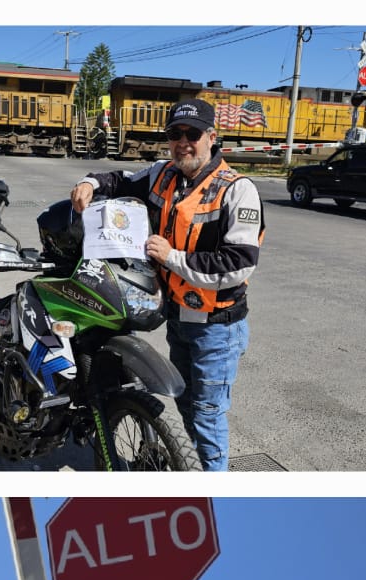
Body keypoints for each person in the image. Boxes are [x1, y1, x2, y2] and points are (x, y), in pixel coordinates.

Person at [70, 98, 262, 471]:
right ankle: (187, 468)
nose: (183, 142)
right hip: (178, 318)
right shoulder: (164, 172)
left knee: (207, 418)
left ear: (212, 136)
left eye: (192, 134)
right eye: (175, 134)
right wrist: (89, 182)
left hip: (217, 327)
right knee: (186, 406)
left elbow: (239, 264)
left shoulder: (237, 190)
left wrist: (171, 257)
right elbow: (121, 180)